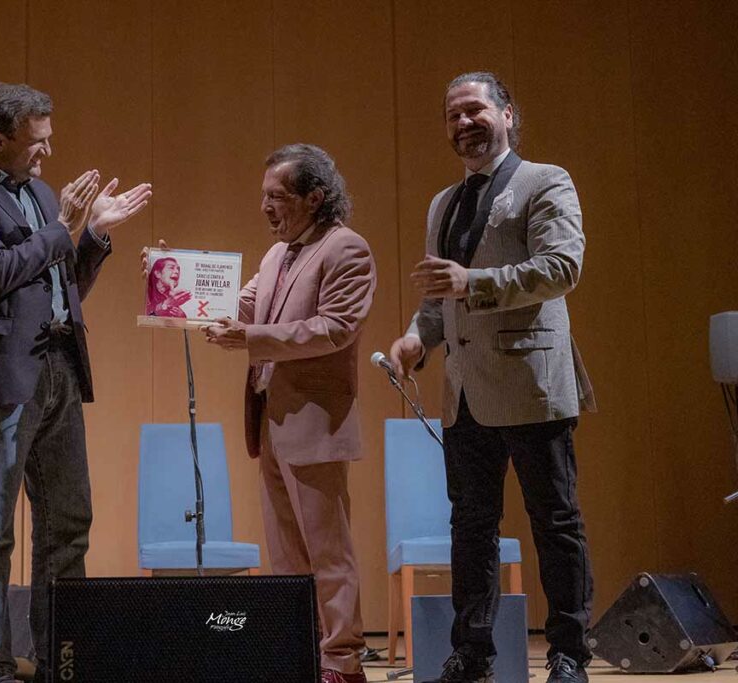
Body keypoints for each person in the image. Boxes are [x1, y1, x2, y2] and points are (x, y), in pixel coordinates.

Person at [0, 82, 151, 683]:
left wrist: (94, 236)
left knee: (68, 523)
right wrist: (60, 227)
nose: (45, 155)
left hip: (59, 366)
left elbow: (62, 285)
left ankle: (63, 659)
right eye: (34, 143)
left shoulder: (42, 195)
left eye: (48, 141)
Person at [389, 71, 595, 683]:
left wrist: (471, 284)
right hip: (465, 394)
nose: (462, 124)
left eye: (474, 110)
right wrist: (414, 338)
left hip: (532, 382)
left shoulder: (545, 181)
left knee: (554, 522)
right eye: (452, 115)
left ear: (508, 113)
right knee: (471, 527)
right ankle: (473, 653)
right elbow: (437, 296)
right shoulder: (442, 203)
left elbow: (562, 267)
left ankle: (568, 654)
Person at [204, 143, 376, 683]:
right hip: (272, 422)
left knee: (327, 552)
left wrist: (250, 339)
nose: (265, 207)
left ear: (314, 197)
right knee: (285, 555)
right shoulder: (276, 255)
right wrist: (178, 278)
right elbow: (242, 305)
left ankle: (343, 662)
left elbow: (334, 328)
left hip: (316, 424)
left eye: (276, 197)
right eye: (263, 197)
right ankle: (301, 654)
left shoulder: (347, 249)